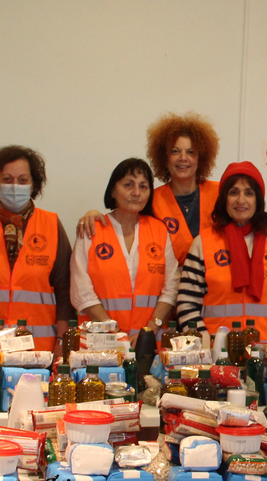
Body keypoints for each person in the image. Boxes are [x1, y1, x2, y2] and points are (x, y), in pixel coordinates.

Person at [176, 161, 267, 343]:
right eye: (233, 192)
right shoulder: (203, 242)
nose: (241, 200)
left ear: (258, 199)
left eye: (249, 193)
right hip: (217, 353)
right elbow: (186, 302)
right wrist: (204, 346)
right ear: (224, 199)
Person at [77, 112, 220, 265]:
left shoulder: (219, 193)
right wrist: (93, 214)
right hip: (172, 276)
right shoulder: (151, 199)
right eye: (175, 151)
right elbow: (124, 219)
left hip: (218, 275)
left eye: (190, 152)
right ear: (164, 157)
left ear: (201, 157)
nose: (183, 158)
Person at [70, 158, 179, 342]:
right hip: (99, 342)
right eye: (128, 185)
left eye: (143, 186)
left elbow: (172, 286)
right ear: (112, 190)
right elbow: (81, 291)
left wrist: (149, 330)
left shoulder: (160, 231)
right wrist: (115, 333)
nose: (136, 193)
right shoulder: (92, 229)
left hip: (150, 342)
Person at [0, 145, 73, 353]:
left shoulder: (50, 224)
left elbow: (64, 288)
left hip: (38, 351)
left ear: (34, 185)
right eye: (7, 179)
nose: (15, 186)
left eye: (23, 180)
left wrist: (62, 340)